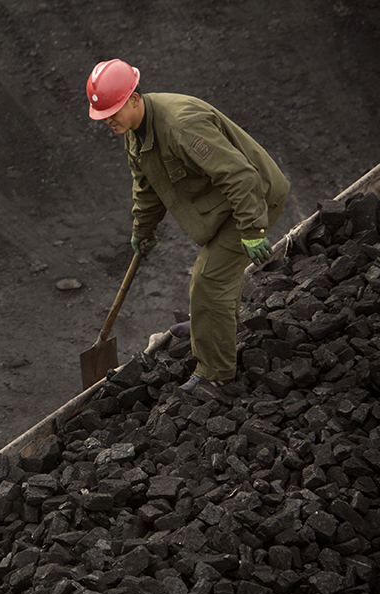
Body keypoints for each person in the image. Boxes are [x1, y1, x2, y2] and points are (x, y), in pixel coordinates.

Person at [86, 59, 289, 393]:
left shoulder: (181, 125)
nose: (108, 119)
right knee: (213, 282)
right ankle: (209, 327)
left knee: (208, 280)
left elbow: (239, 175)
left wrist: (253, 230)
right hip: (228, 203)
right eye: (103, 114)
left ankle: (216, 375)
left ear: (135, 98)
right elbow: (147, 188)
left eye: (114, 110)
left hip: (255, 198)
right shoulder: (134, 134)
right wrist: (143, 230)